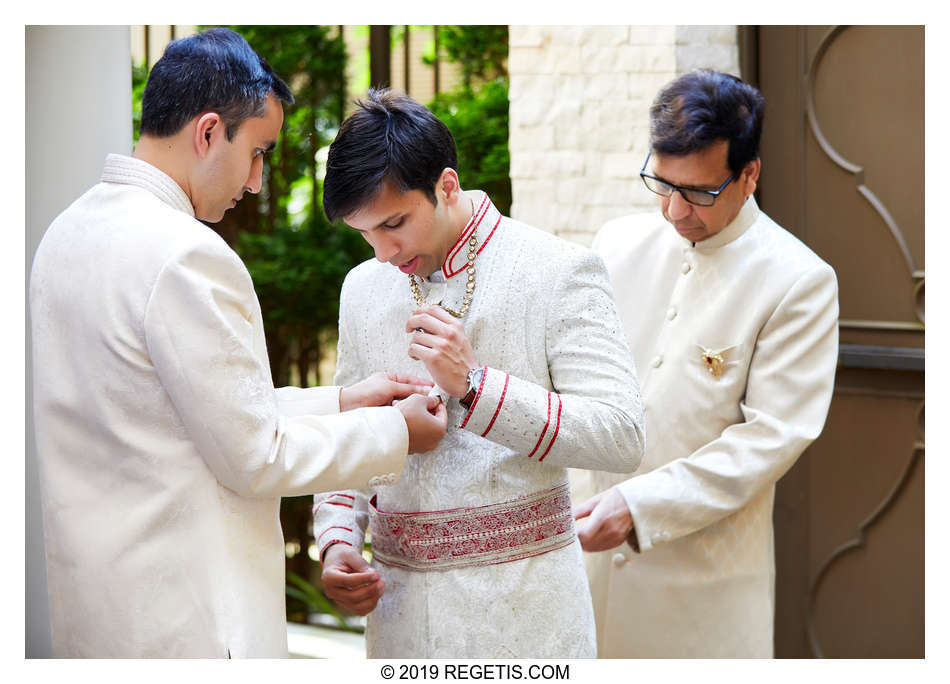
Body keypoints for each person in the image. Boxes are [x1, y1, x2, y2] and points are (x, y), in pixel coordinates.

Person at [29, 28, 447, 658]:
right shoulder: (185, 254)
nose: (256, 181)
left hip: (100, 609)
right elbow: (254, 456)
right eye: (258, 151)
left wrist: (345, 401)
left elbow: (179, 415)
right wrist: (397, 434)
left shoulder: (65, 234)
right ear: (207, 132)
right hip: (195, 620)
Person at [312, 90, 645, 658]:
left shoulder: (557, 269)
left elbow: (621, 434)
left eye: (394, 223)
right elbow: (351, 425)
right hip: (402, 629)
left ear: (446, 185)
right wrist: (338, 540)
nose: (384, 252)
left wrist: (476, 385)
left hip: (528, 625)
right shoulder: (363, 287)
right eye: (365, 233)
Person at [572, 69, 839, 658]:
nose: (673, 210)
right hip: (588, 576)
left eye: (698, 192)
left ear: (750, 175)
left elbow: (769, 438)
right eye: (662, 183)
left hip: (705, 592)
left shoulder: (799, 280)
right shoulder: (615, 244)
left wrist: (637, 506)